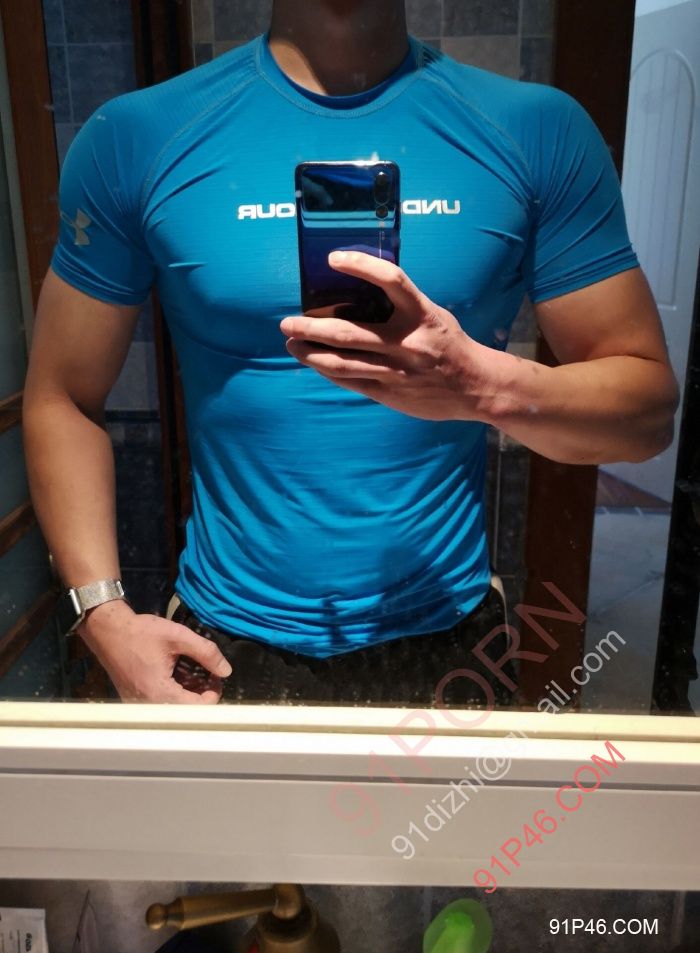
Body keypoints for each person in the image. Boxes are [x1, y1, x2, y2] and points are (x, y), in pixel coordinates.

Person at [23, 0, 678, 705]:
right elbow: (62, 395)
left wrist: (480, 387)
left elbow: (645, 416)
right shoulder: (136, 136)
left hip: (449, 637)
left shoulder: (537, 130)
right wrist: (102, 615)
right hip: (221, 642)